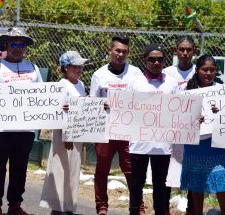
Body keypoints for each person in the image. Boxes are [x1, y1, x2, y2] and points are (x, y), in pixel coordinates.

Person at [0, 27, 43, 215]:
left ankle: (15, 205)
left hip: (25, 131)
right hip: (0, 130)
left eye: (21, 44)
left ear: (25, 47)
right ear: (6, 45)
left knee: (20, 169)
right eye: (14, 44)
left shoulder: (33, 69)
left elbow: (42, 96)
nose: (18, 48)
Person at [90, 36, 142, 215]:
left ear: (128, 53)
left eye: (124, 51)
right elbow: (92, 103)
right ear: (110, 51)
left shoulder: (135, 73)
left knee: (131, 171)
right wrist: (100, 105)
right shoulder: (99, 74)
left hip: (128, 131)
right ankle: (102, 206)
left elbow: (142, 100)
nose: (120, 54)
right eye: (117, 50)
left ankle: (138, 207)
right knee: (102, 170)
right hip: (105, 131)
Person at [128, 43, 178, 215]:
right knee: (136, 183)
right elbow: (125, 109)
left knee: (160, 184)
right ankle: (134, 212)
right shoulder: (134, 82)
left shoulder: (172, 84)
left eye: (160, 60)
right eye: (152, 60)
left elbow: (180, 110)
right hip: (139, 142)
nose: (156, 63)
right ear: (144, 60)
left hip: (162, 144)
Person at [39, 51, 88, 215]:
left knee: (73, 171)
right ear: (66, 68)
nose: (79, 69)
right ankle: (57, 208)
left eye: (80, 66)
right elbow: (58, 113)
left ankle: (68, 207)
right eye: (75, 66)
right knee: (60, 170)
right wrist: (66, 135)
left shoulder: (80, 84)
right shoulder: (61, 85)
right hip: (64, 136)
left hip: (77, 135)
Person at [180, 54, 225, 215]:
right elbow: (179, 116)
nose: (208, 73)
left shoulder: (222, 90)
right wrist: (193, 116)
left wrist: (220, 110)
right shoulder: (187, 90)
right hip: (195, 143)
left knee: (220, 176)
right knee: (196, 179)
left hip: (215, 142)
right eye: (204, 69)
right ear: (197, 70)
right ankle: (198, 212)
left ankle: (224, 212)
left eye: (212, 70)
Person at [162, 35, 196, 214]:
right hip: (171, 127)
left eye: (188, 49)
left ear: (194, 51)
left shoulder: (199, 71)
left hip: (193, 129)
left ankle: (192, 208)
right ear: (176, 51)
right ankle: (164, 207)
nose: (185, 53)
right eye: (181, 49)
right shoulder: (167, 72)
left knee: (191, 165)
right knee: (169, 166)